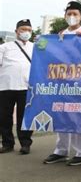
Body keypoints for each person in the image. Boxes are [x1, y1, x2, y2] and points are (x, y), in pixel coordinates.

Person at [43, 1, 81, 166]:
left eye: (75, 14)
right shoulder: (59, 35)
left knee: (79, 117)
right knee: (61, 116)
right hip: (61, 82)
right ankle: (61, 150)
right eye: (69, 14)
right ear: (65, 15)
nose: (72, 17)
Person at [0, 19, 34, 155]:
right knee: (4, 116)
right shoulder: (5, 47)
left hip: (26, 87)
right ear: (16, 31)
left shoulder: (35, 47)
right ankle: (7, 143)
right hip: (6, 87)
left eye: (29, 30)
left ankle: (25, 144)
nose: (26, 32)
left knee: (24, 117)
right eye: (23, 29)